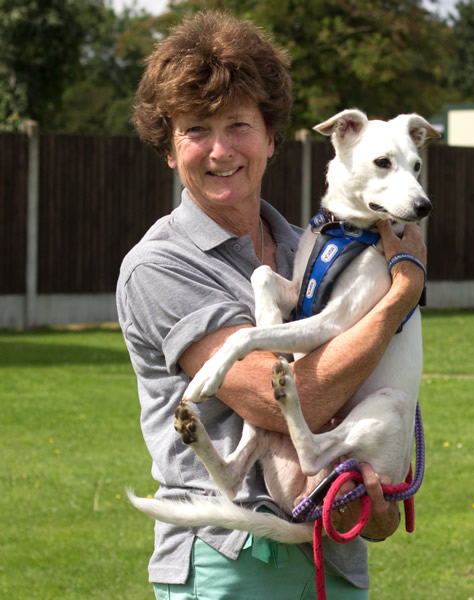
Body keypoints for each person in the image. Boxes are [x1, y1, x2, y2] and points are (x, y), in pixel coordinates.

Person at [117, 10, 427, 600]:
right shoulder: (159, 265)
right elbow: (284, 399)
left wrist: (382, 493)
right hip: (230, 565)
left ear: (271, 137)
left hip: (334, 557)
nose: (218, 150)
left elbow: (375, 397)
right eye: (194, 130)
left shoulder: (308, 247)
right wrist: (402, 296)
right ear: (167, 147)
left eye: (237, 125)